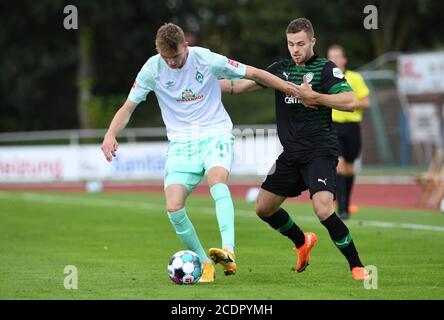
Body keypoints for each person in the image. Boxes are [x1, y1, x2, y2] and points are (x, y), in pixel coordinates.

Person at [101, 23, 298, 283]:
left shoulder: (205, 58)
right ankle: (205, 263)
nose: (171, 62)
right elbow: (128, 106)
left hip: (214, 133)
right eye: (166, 58)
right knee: (173, 207)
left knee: (216, 180)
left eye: (176, 56)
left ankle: (229, 250)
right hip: (181, 145)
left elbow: (253, 73)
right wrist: (110, 133)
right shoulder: (152, 69)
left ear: (185, 46)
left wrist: (290, 88)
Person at [220, 18, 368, 280]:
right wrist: (200, 80)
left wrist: (316, 97)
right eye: (291, 44)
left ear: (312, 41)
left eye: (301, 43)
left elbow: (350, 101)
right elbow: (236, 86)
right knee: (263, 209)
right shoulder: (280, 69)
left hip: (319, 151)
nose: (295, 49)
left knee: (323, 208)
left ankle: (357, 266)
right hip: (290, 155)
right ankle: (301, 241)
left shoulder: (325, 69)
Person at [328, 44, 370, 220]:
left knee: (350, 168)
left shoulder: (355, 78)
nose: (335, 60)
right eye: (331, 57)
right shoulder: (326, 78)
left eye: (338, 56)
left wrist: (347, 103)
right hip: (333, 126)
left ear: (344, 60)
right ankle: (342, 208)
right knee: (340, 165)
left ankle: (346, 201)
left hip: (352, 127)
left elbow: (366, 102)